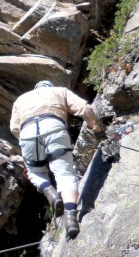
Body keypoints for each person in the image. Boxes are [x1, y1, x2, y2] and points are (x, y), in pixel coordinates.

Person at [10, 81, 102, 239]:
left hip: (28, 132)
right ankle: (71, 218)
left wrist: (26, 142)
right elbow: (84, 108)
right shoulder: (60, 91)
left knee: (34, 172)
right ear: (49, 87)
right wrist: (95, 127)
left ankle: (49, 191)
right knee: (65, 174)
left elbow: (14, 127)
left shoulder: (21, 99)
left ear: (36, 89)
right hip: (54, 127)